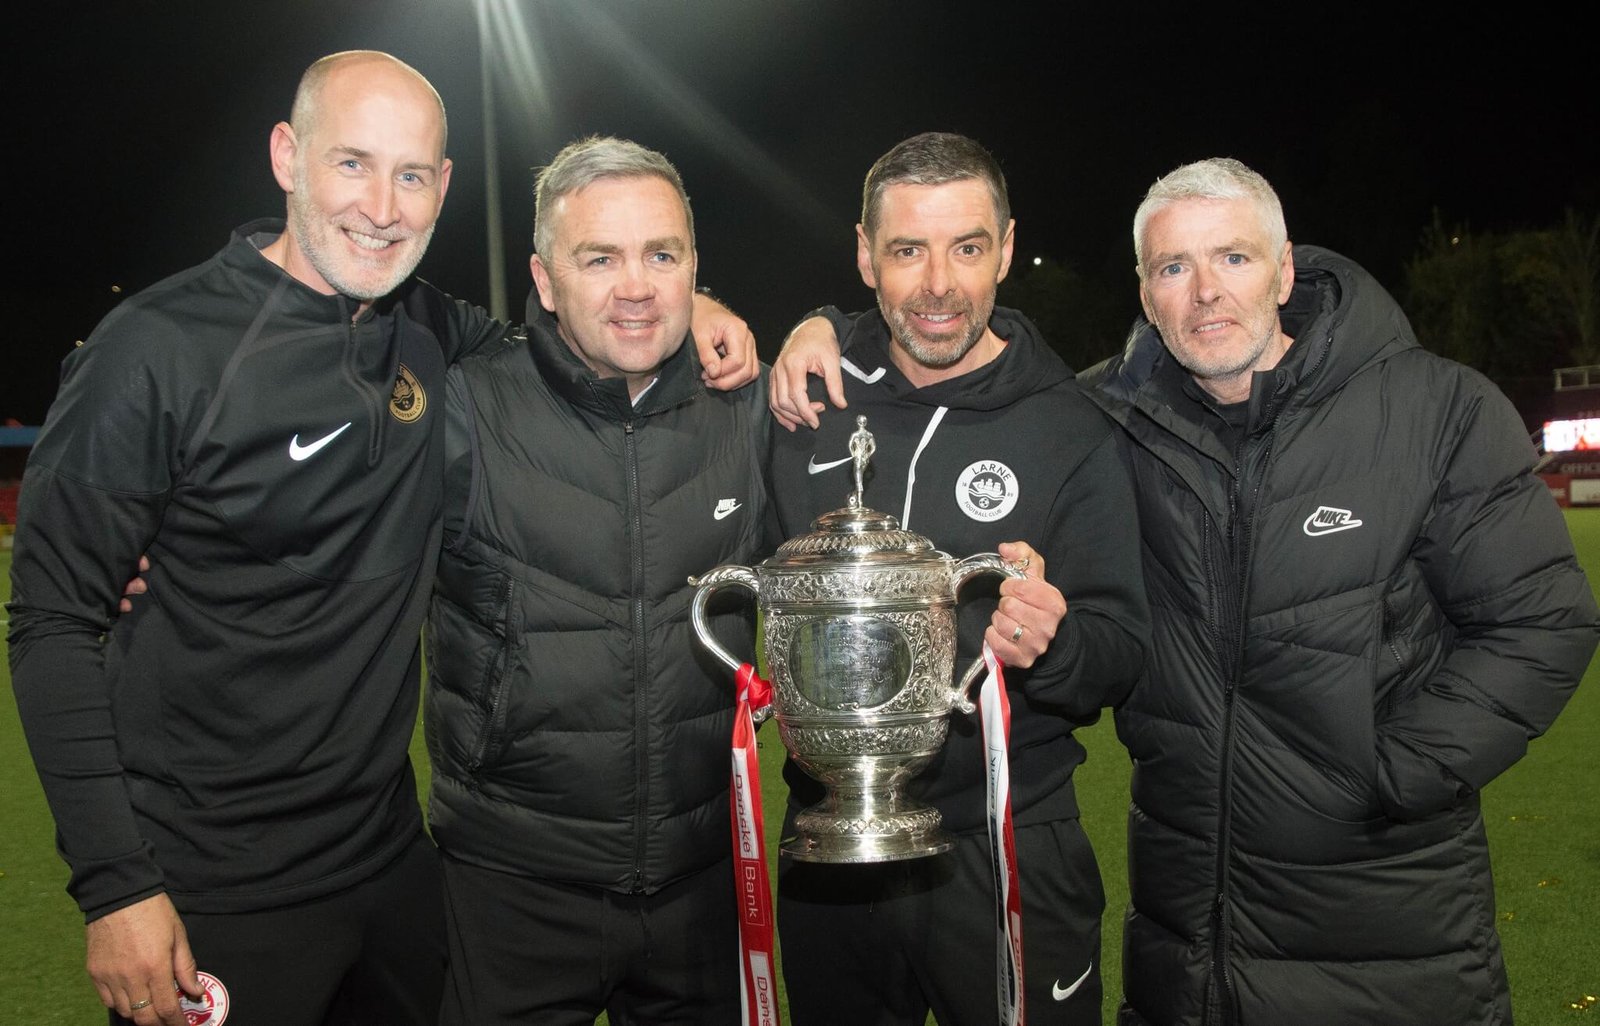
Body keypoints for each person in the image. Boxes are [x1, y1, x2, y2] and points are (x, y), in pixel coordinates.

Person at [7, 53, 754, 1026]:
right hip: (213, 885)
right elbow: (52, 625)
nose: (382, 206)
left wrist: (685, 302)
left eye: (411, 176)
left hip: (393, 870)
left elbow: (567, 339)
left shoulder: (427, 331)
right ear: (287, 156)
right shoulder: (155, 350)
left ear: (442, 188)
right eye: (352, 163)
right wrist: (115, 888)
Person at [770, 156, 1600, 1026]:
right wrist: (819, 326)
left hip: (1383, 904)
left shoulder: (1436, 409)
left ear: (1284, 269)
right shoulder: (1112, 419)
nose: (1205, 292)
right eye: (1174, 268)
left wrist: (1392, 774)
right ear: (1145, 290)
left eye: (1233, 259)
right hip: (1188, 917)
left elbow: (1544, 623)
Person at [765, 131, 1149, 1026]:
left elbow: (1123, 649)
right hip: (829, 848)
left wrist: (1050, 643)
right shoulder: (805, 402)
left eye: (967, 247)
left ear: (1007, 249)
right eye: (908, 250)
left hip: (1008, 840)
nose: (938, 283)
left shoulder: (1072, 428)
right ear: (866, 257)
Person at [423, 136, 770, 1026]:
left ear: (694, 268)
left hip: (705, 886)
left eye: (662, 255)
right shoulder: (464, 408)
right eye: (600, 258)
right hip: (512, 889)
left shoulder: (750, 410)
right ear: (544, 280)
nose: (637, 285)